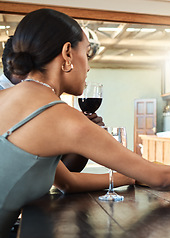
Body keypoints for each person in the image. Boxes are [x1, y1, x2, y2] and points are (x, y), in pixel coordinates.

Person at [0, 8, 170, 237]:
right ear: (67, 53)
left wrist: (130, 177)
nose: (89, 65)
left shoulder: (8, 98)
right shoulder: (60, 115)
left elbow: (68, 182)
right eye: (87, 53)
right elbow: (160, 178)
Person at [1, 36, 133, 194]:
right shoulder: (16, 104)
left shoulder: (38, 103)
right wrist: (131, 175)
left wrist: (84, 136)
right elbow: (65, 182)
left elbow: (61, 173)